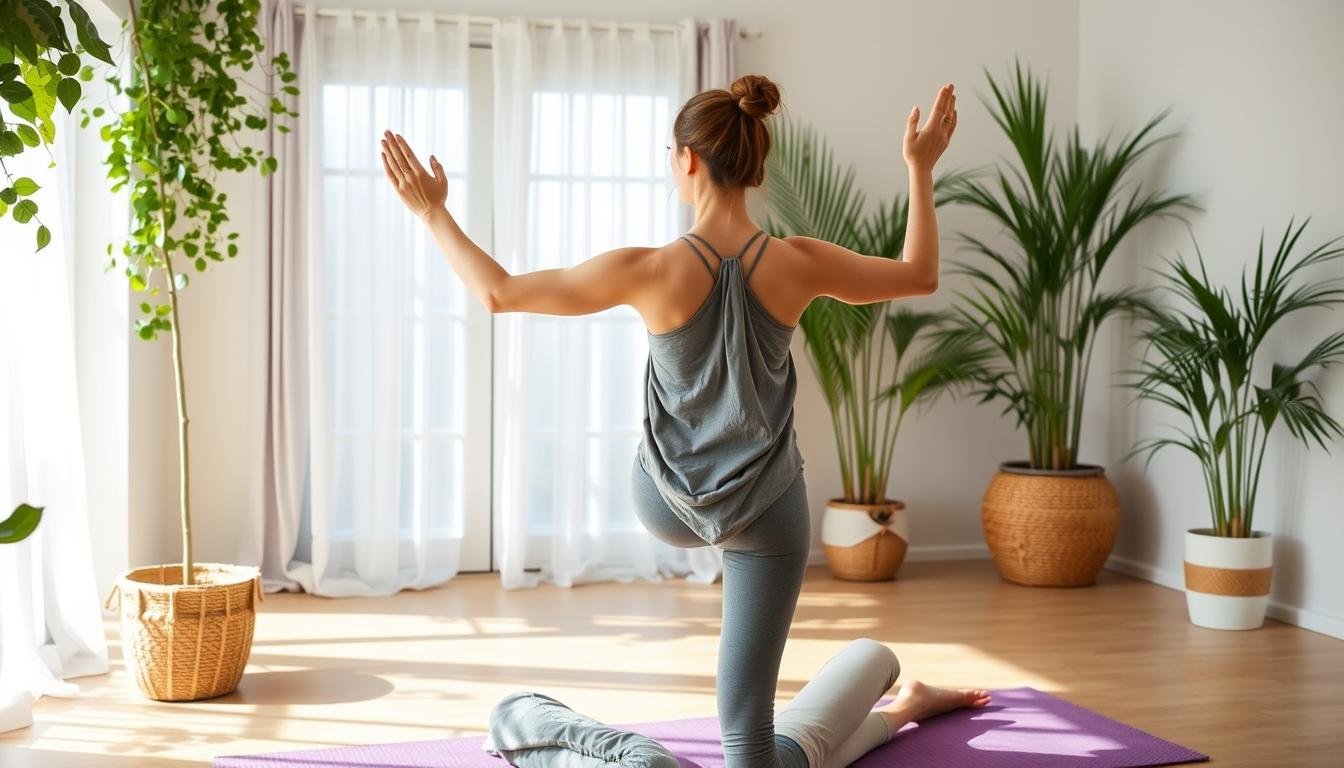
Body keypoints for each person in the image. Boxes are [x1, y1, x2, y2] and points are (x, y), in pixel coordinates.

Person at [379, 73, 990, 768]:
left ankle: (900, 699)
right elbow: (919, 275)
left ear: (688, 159)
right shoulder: (796, 263)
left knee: (751, 759)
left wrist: (432, 213)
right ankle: (877, 688)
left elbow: (498, 293)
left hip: (666, 499)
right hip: (767, 509)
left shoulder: (651, 269)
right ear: (753, 164)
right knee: (731, 745)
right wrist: (920, 167)